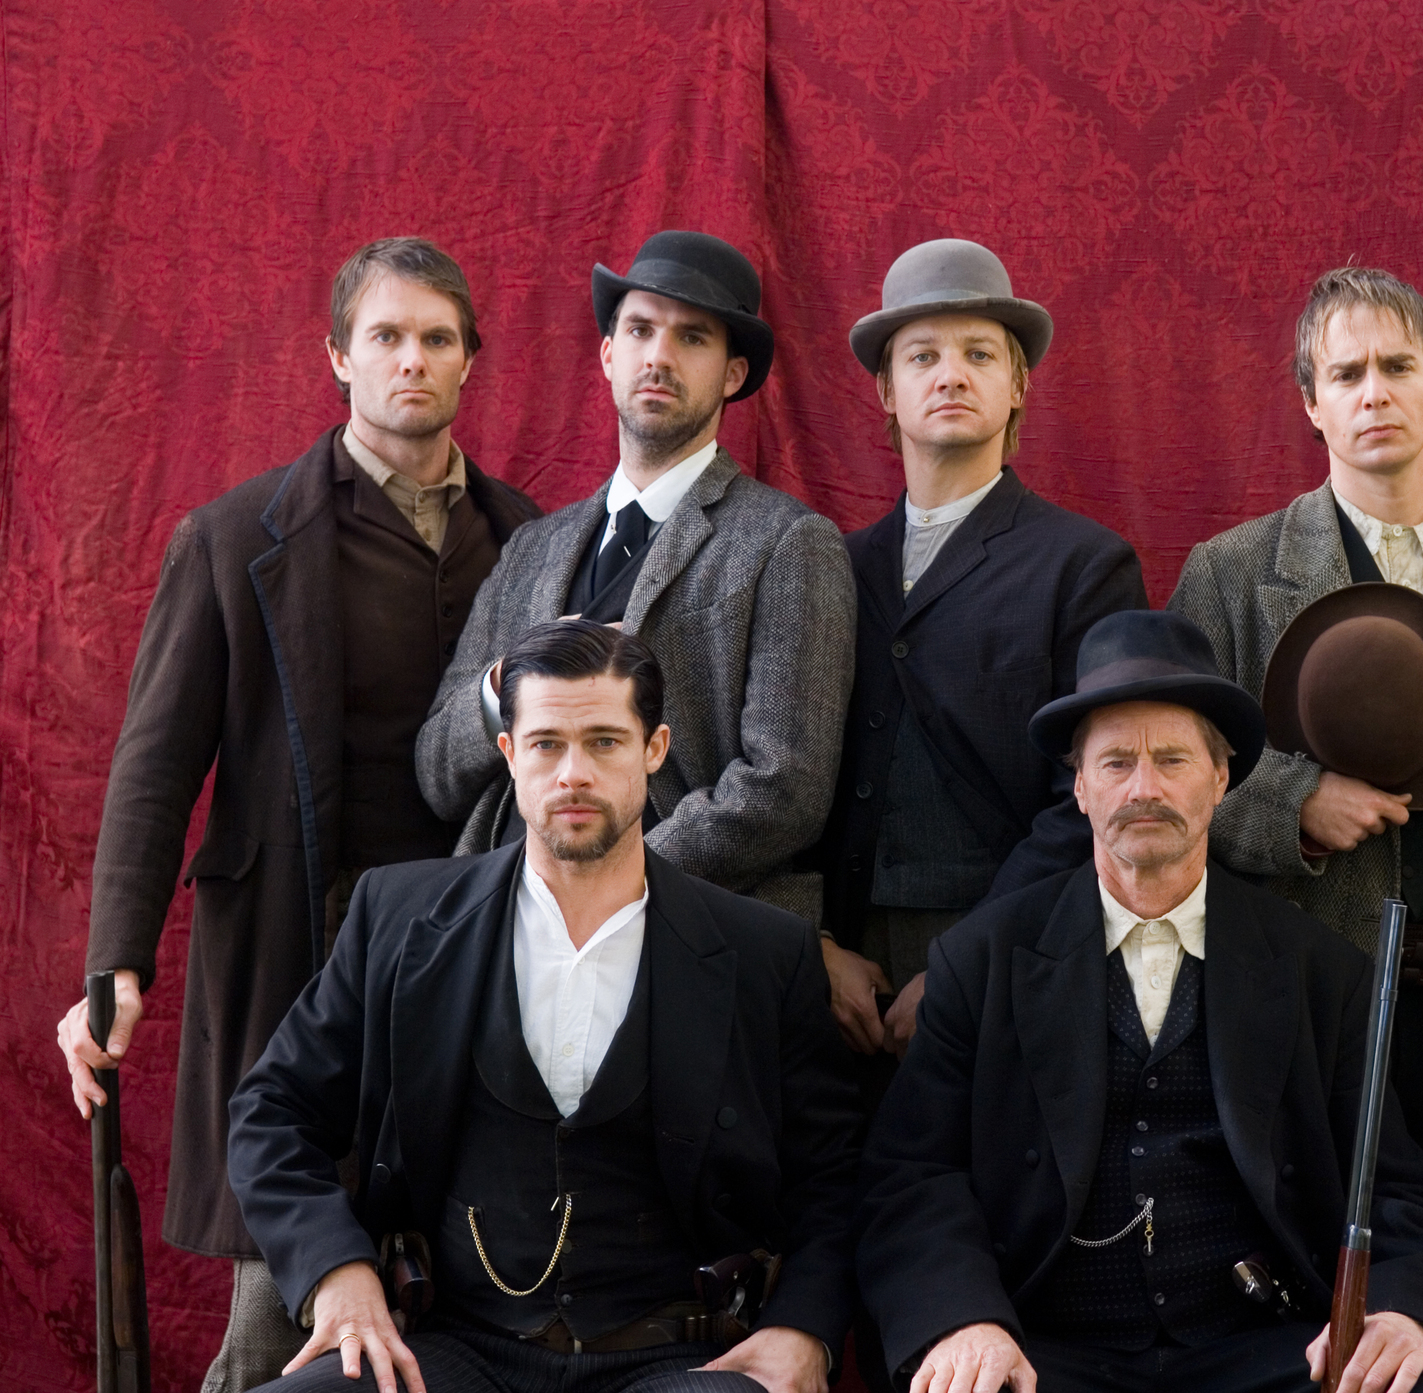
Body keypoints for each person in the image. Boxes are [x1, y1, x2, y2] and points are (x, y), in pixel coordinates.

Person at [56, 238, 541, 1393]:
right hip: (297, 949)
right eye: (385, 336)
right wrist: (114, 961)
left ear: (471, 360)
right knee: (287, 1299)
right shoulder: (234, 538)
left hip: (476, 958)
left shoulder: (528, 539)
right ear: (338, 357)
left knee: (462, 1294)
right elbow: (153, 761)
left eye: (435, 337)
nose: (410, 359)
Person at [229, 621, 860, 1393]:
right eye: (547, 745)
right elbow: (273, 1109)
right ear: (508, 755)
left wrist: (804, 1329)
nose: (573, 775)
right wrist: (336, 1267)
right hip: (449, 1343)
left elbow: (836, 1176)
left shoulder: (765, 952)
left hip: (678, 1359)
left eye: (604, 742)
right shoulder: (397, 917)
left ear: (653, 750)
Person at [857, 610, 1423, 1393]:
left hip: (1264, 1349)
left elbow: (1396, 1186)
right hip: (1045, 1349)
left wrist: (1399, 1314)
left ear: (1220, 781)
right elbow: (913, 1174)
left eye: (1172, 759)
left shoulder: (1319, 970)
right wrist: (964, 1320)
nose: (1144, 788)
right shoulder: (981, 961)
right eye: (1115, 763)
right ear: (1078, 788)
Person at [1169, 267, 1423, 1385]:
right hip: (1294, 1010)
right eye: (1344, 372)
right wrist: (1287, 802)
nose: (1373, 393)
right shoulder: (1228, 575)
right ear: (1309, 400)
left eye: (1397, 366)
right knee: (1284, 1299)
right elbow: (1165, 774)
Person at [417, 231, 854, 921]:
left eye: (692, 339)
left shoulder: (790, 543)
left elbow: (784, 791)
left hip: (696, 924)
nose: (658, 356)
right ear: (608, 353)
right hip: (501, 917)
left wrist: (615, 881)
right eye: (641, 329)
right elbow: (437, 770)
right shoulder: (531, 547)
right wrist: (507, 682)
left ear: (733, 374)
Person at [817, 237, 1147, 1061]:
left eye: (978, 354)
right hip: (837, 958)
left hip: (1008, 948)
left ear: (1018, 383)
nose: (950, 375)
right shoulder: (832, 564)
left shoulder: (1084, 564)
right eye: (922, 356)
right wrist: (809, 945)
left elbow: (1090, 792)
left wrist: (973, 959)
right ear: (886, 393)